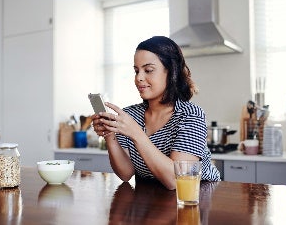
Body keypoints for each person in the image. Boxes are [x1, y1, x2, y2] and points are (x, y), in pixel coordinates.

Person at [92, 36, 220, 190]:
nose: (139, 78)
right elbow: (126, 174)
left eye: (148, 70)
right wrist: (109, 134)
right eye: (136, 71)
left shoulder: (190, 114)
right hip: (155, 199)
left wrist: (136, 133)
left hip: (198, 196)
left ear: (171, 71)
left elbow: (177, 181)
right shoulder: (130, 115)